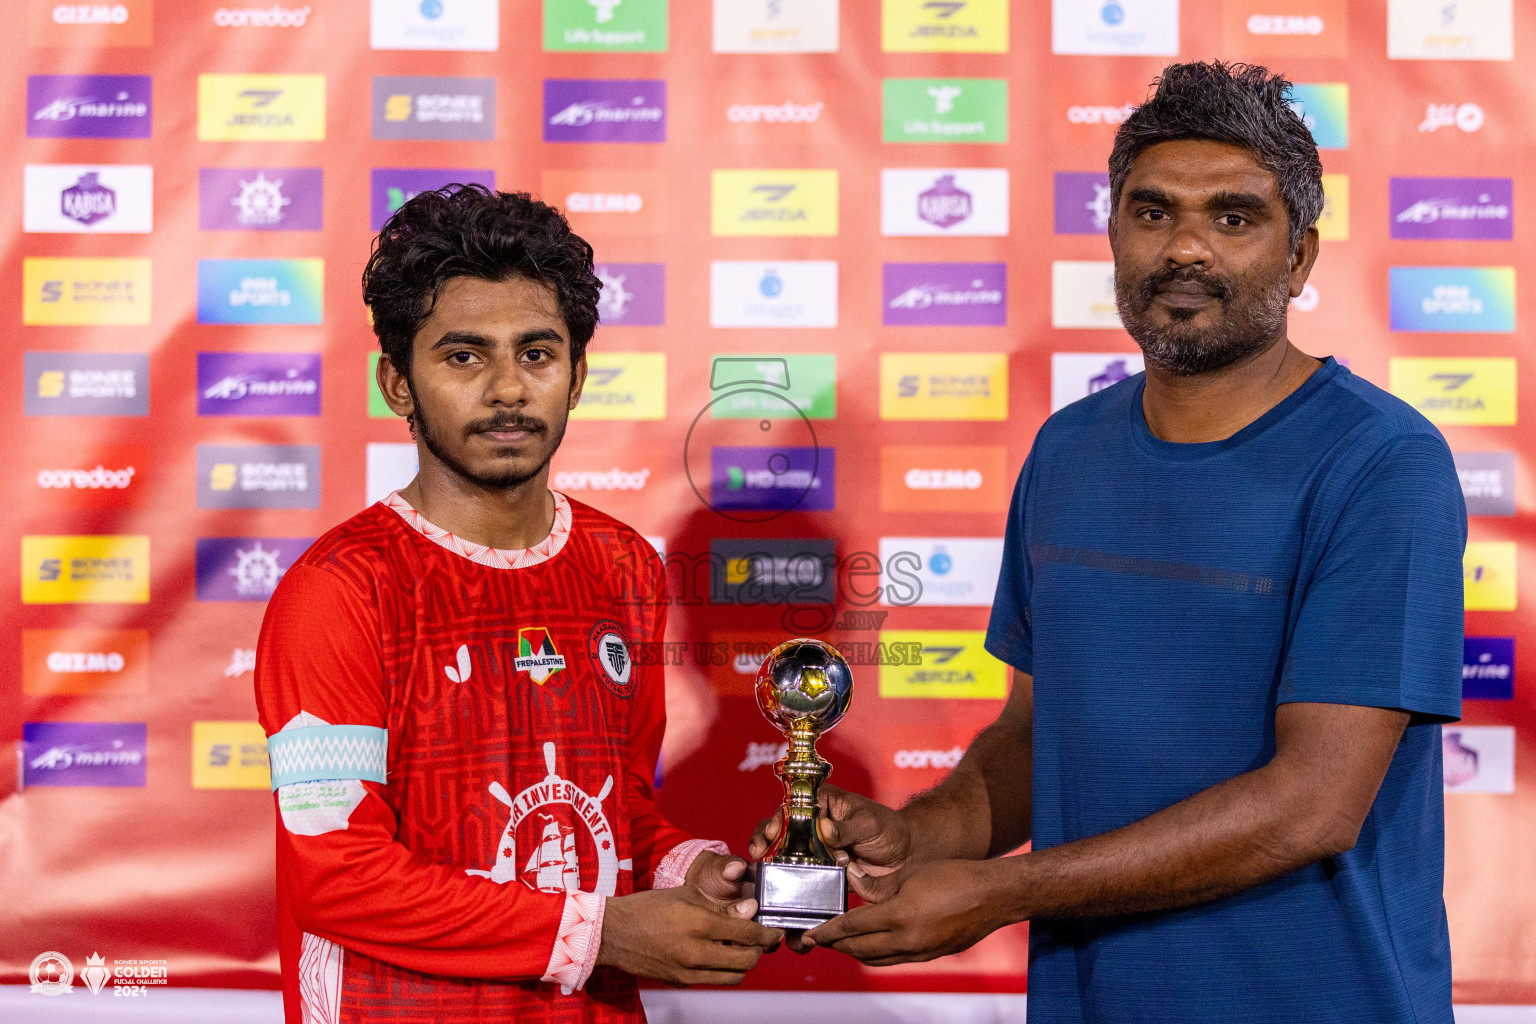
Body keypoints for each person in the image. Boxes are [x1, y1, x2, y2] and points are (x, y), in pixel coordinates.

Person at [754, 62, 1466, 1023]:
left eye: (1234, 218)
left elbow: (1313, 803)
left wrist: (1000, 895)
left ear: (1300, 259)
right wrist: (919, 839)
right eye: (1153, 211)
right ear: (1114, 235)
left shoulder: (1382, 463)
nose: (1185, 248)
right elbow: (1035, 738)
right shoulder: (1068, 451)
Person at [255, 184, 781, 1024]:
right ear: (398, 383)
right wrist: (599, 933)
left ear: (575, 376)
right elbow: (339, 877)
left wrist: (691, 871)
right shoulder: (340, 589)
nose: (507, 387)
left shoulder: (625, 567)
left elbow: (616, 807)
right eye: (464, 356)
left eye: (536, 353)